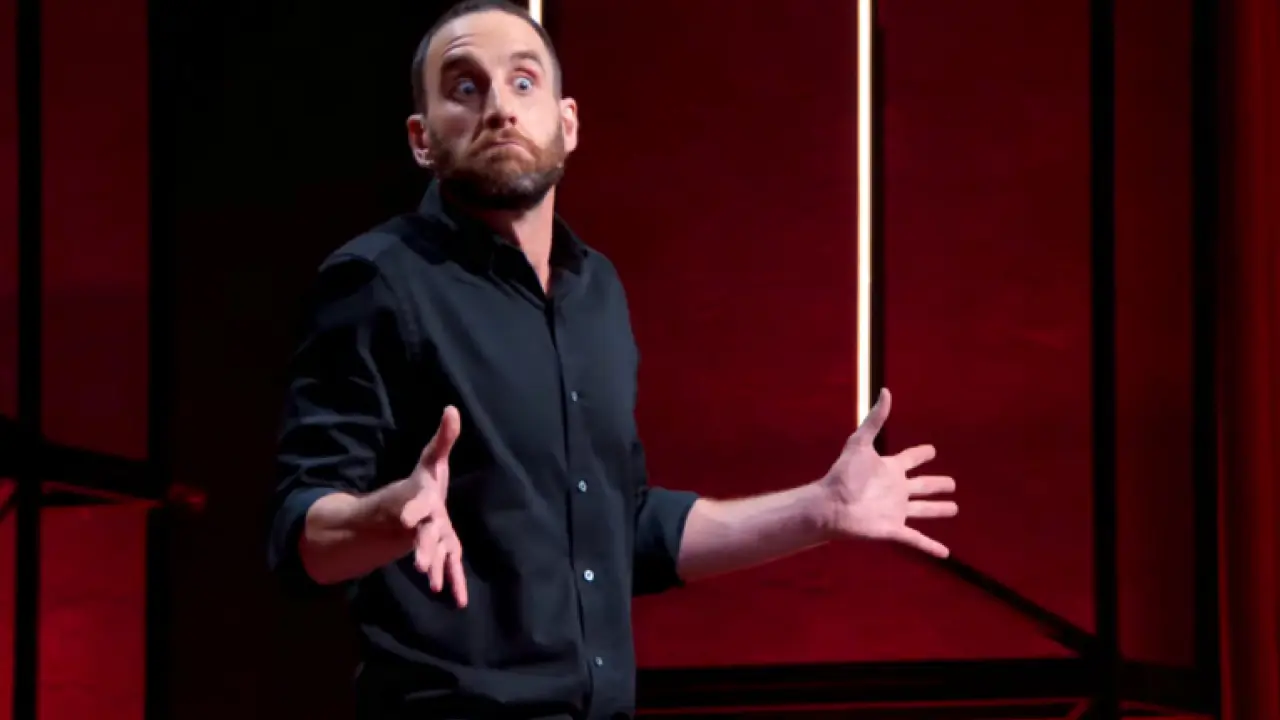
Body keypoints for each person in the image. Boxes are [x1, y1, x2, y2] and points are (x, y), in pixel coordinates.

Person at [267, 1, 959, 718]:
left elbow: (622, 527)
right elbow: (301, 532)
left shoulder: (595, 291)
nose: (499, 107)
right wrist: (389, 516)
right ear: (422, 139)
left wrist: (820, 509)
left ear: (567, 124)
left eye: (523, 81)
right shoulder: (377, 281)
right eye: (465, 87)